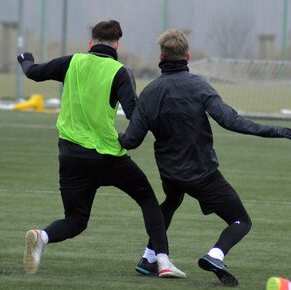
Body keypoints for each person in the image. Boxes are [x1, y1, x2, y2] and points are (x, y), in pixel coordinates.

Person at [118, 28, 291, 287]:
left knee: (173, 199)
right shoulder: (199, 86)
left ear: (160, 57)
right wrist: (282, 131)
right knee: (241, 220)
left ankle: (149, 257)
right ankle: (215, 255)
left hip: (170, 174)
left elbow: (131, 140)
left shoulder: (150, 92)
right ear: (187, 56)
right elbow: (231, 121)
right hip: (203, 174)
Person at [17, 20, 185, 278]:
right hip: (108, 157)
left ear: (90, 42)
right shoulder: (119, 72)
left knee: (75, 220)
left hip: (71, 157)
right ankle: (161, 260)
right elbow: (134, 115)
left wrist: (24, 58)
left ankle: (43, 236)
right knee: (147, 199)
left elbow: (33, 72)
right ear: (117, 44)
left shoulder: (71, 62)